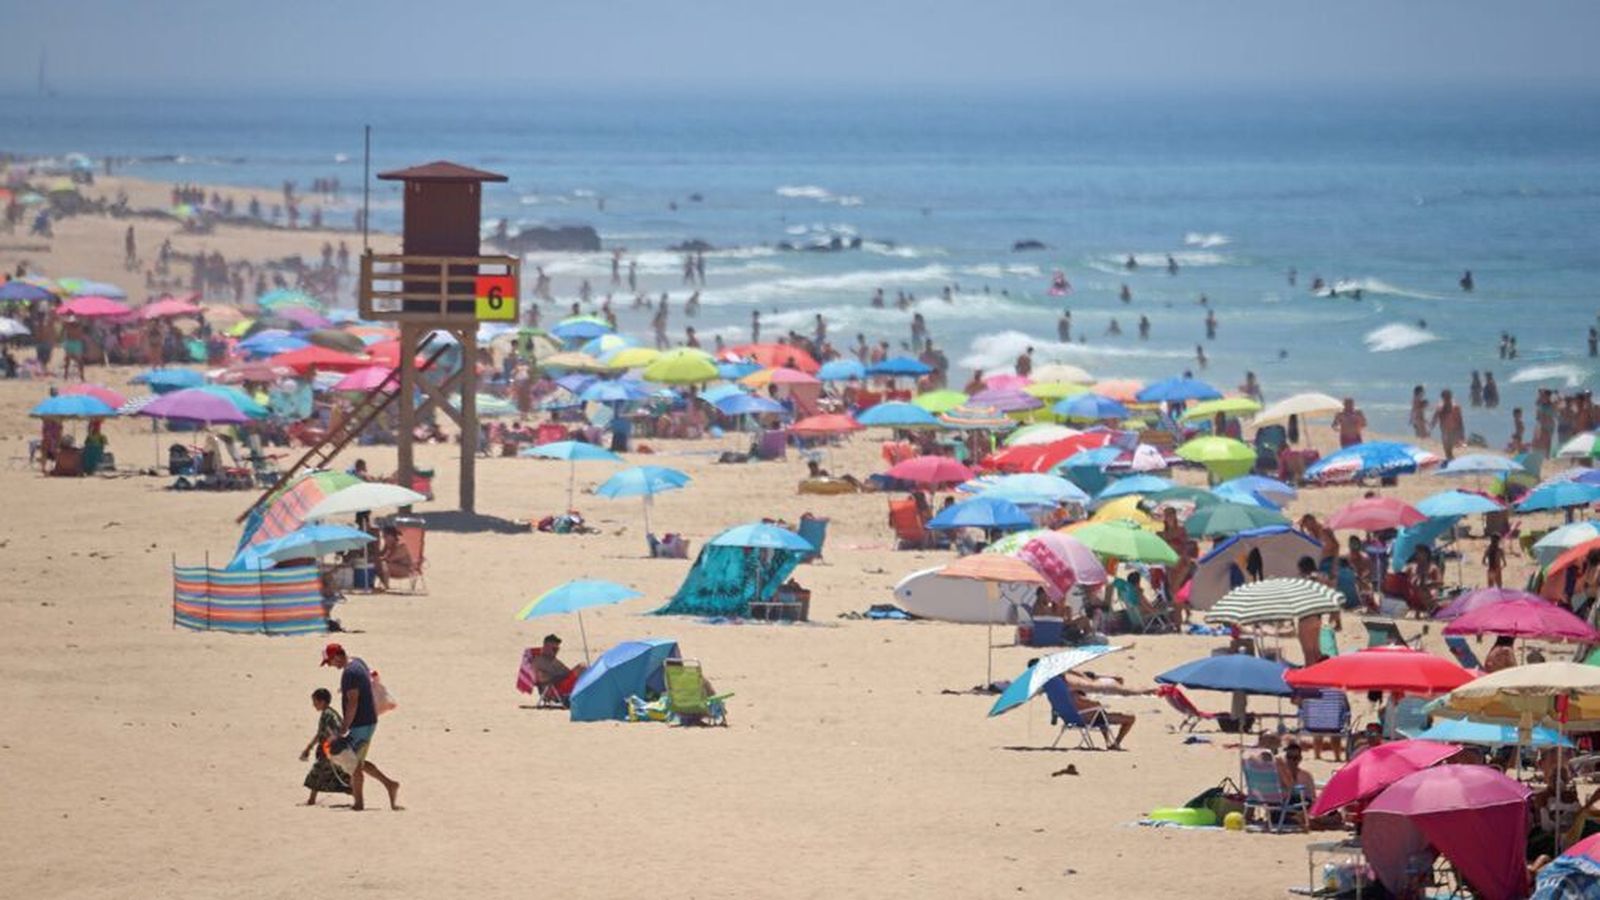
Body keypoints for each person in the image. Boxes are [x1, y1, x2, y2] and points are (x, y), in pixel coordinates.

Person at [320, 643, 400, 811]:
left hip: (362, 723)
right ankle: (390, 785)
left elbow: (353, 702)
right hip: (366, 720)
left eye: (329, 662)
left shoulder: (350, 673)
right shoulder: (357, 661)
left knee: (353, 763)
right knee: (357, 762)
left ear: (337, 656)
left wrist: (344, 727)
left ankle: (359, 804)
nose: (330, 666)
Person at [1062, 670, 1144, 750]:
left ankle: (1108, 741)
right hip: (1090, 719)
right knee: (1130, 718)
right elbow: (1095, 705)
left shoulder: (1064, 692)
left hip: (1078, 717)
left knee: (1102, 714)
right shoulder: (1076, 695)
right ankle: (1116, 743)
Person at [299, 687, 349, 805]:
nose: (314, 705)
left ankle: (311, 800)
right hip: (333, 751)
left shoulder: (328, 714)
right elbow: (321, 733)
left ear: (322, 701)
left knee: (317, 773)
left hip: (330, 751)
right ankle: (356, 796)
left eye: (315, 702)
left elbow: (335, 731)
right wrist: (309, 747)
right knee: (338, 776)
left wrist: (328, 745)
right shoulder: (329, 713)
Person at [531, 634, 586, 702]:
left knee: (583, 668)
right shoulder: (539, 661)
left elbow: (566, 672)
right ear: (546, 646)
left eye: (557, 649)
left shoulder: (552, 660)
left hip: (561, 684)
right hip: (554, 689)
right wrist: (560, 676)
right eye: (554, 649)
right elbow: (542, 679)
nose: (556, 651)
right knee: (582, 667)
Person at [374, 526, 413, 592]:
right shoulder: (389, 545)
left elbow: (390, 559)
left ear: (392, 536)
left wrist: (379, 559)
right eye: (383, 537)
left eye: (385, 537)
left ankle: (386, 586)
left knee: (385, 565)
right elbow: (381, 555)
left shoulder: (401, 546)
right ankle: (379, 585)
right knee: (376, 564)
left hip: (405, 569)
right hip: (394, 567)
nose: (384, 539)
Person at [1432, 389, 1465, 462]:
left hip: (1454, 432)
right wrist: (1431, 427)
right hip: (1445, 432)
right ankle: (1452, 463)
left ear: (1451, 397)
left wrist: (1462, 434)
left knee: (1449, 451)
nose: (1447, 400)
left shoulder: (1456, 408)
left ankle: (1453, 462)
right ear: (1443, 398)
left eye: (1448, 397)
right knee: (1448, 452)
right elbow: (1434, 419)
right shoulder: (1440, 408)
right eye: (1445, 398)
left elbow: (1460, 421)